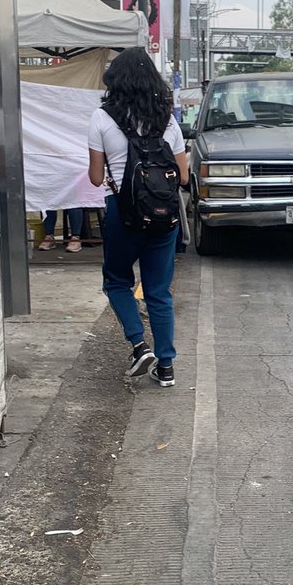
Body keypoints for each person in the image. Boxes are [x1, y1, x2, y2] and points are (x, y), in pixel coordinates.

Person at [87, 48, 189, 388]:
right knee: (159, 291)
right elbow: (184, 177)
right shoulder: (168, 118)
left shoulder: (102, 118)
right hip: (164, 214)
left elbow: (96, 178)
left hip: (123, 212)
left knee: (117, 281)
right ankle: (167, 367)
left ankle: (139, 345)